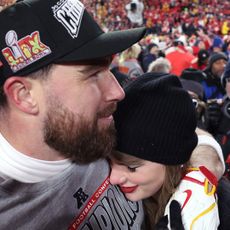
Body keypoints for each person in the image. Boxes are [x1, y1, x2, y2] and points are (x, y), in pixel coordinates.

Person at [0, 0, 147, 229]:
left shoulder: (97, 123)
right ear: (24, 95)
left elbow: (183, 131)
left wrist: (205, 162)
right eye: (93, 74)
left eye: (108, 68)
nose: (118, 92)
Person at [109, 74, 225, 229]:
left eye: (132, 167)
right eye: (109, 162)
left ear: (172, 160)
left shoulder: (218, 210)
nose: (113, 178)